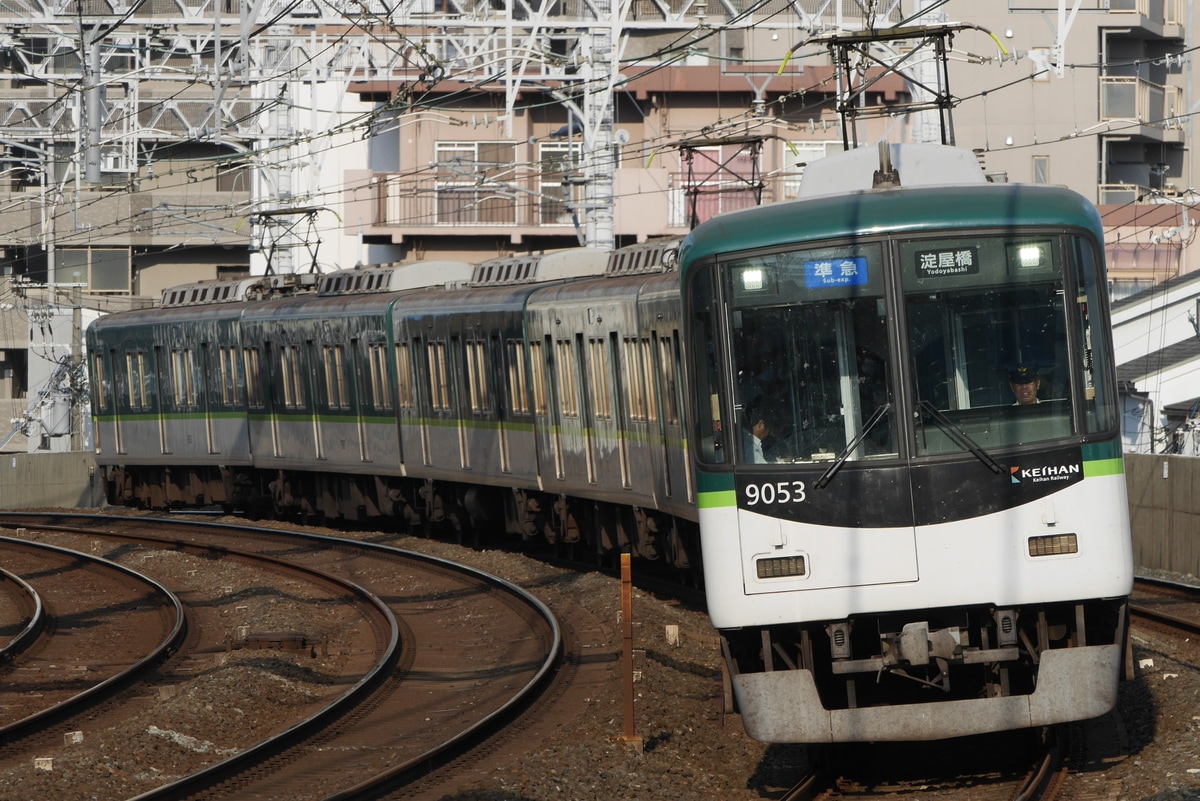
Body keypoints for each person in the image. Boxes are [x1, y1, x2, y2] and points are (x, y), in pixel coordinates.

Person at [742, 399, 771, 464]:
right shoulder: (751, 449)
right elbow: (766, 472)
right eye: (768, 428)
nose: (768, 433)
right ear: (760, 425)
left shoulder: (742, 439)